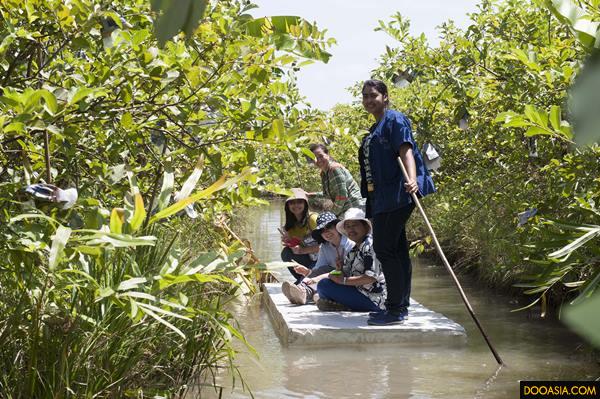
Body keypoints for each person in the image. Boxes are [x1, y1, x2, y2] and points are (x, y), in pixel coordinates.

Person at [359, 79, 435, 325]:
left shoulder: (394, 120)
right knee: (397, 249)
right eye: (366, 97)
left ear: (385, 97)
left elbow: (406, 151)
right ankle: (399, 306)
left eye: (373, 95)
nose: (369, 100)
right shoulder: (375, 127)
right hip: (382, 197)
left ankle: (395, 309)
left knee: (384, 248)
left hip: (399, 192)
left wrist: (413, 179)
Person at [315, 208, 386, 312]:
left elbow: (370, 278)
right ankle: (343, 305)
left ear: (365, 226)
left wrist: (343, 281)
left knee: (324, 285)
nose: (351, 230)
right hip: (360, 291)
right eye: (348, 226)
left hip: (375, 298)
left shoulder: (371, 245)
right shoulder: (354, 249)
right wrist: (340, 270)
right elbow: (346, 274)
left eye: (355, 225)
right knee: (325, 283)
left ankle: (343, 305)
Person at [281, 211, 355, 305]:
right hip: (333, 274)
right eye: (322, 231)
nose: (326, 233)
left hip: (349, 278)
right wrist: (307, 272)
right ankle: (302, 290)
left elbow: (346, 272)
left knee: (323, 282)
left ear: (337, 227)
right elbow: (319, 269)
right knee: (322, 270)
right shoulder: (325, 246)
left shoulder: (350, 244)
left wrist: (320, 277)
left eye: (329, 228)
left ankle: (308, 293)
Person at [307, 143, 365, 217]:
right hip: (346, 210)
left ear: (327, 154)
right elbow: (327, 195)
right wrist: (310, 195)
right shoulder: (324, 174)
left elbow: (342, 195)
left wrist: (332, 214)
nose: (319, 160)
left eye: (321, 156)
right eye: (315, 158)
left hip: (355, 208)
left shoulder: (334, 169)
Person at [280, 188, 319, 283]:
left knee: (303, 283)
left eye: (299, 202)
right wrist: (290, 242)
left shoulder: (313, 219)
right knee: (286, 253)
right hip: (309, 258)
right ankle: (301, 279)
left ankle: (303, 282)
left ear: (305, 204)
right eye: (292, 203)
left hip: (322, 260)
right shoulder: (290, 227)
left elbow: (328, 246)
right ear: (288, 206)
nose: (296, 205)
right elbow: (297, 248)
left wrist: (302, 250)